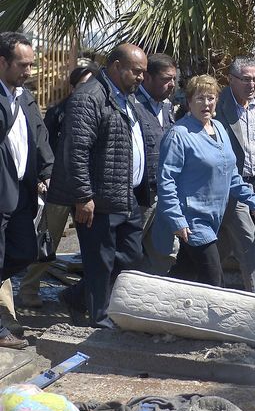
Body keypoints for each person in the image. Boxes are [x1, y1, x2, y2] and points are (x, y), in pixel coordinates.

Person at [49, 43, 149, 328]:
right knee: (99, 261)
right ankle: (99, 318)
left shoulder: (126, 98)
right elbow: (76, 150)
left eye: (143, 73)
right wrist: (83, 196)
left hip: (124, 195)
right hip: (97, 198)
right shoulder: (89, 97)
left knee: (131, 256)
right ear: (116, 67)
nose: (142, 77)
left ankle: (75, 297)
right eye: (136, 72)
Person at [154, 75, 255, 287]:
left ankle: (155, 307)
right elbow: (166, 181)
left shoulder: (219, 129)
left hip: (214, 217)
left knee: (184, 274)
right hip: (192, 219)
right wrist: (177, 219)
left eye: (211, 98)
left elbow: (230, 173)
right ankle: (216, 320)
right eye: (200, 98)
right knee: (214, 279)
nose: (206, 104)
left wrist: (252, 199)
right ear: (189, 102)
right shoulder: (179, 134)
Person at [18, 62, 98, 308]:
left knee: (94, 245)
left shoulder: (102, 108)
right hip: (59, 187)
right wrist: (45, 177)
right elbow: (43, 145)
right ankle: (29, 289)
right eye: (84, 85)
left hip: (90, 189)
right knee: (47, 240)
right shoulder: (57, 112)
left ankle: (89, 295)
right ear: (73, 88)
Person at [0, 32, 53, 347]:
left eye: (31, 64)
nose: (29, 71)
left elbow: (39, 135)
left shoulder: (25, 97)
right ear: (2, 62)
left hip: (22, 192)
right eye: (22, 64)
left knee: (25, 252)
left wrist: (46, 171)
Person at [215, 56, 255, 294]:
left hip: (253, 183)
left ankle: (192, 280)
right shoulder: (217, 103)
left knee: (222, 242)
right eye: (245, 80)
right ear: (231, 79)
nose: (251, 85)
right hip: (228, 185)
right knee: (249, 242)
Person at [133, 53, 177, 275]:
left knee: (165, 253)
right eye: (166, 79)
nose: (172, 85)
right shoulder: (132, 105)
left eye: (174, 79)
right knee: (127, 252)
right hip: (140, 195)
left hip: (165, 193)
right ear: (148, 78)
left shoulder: (168, 109)